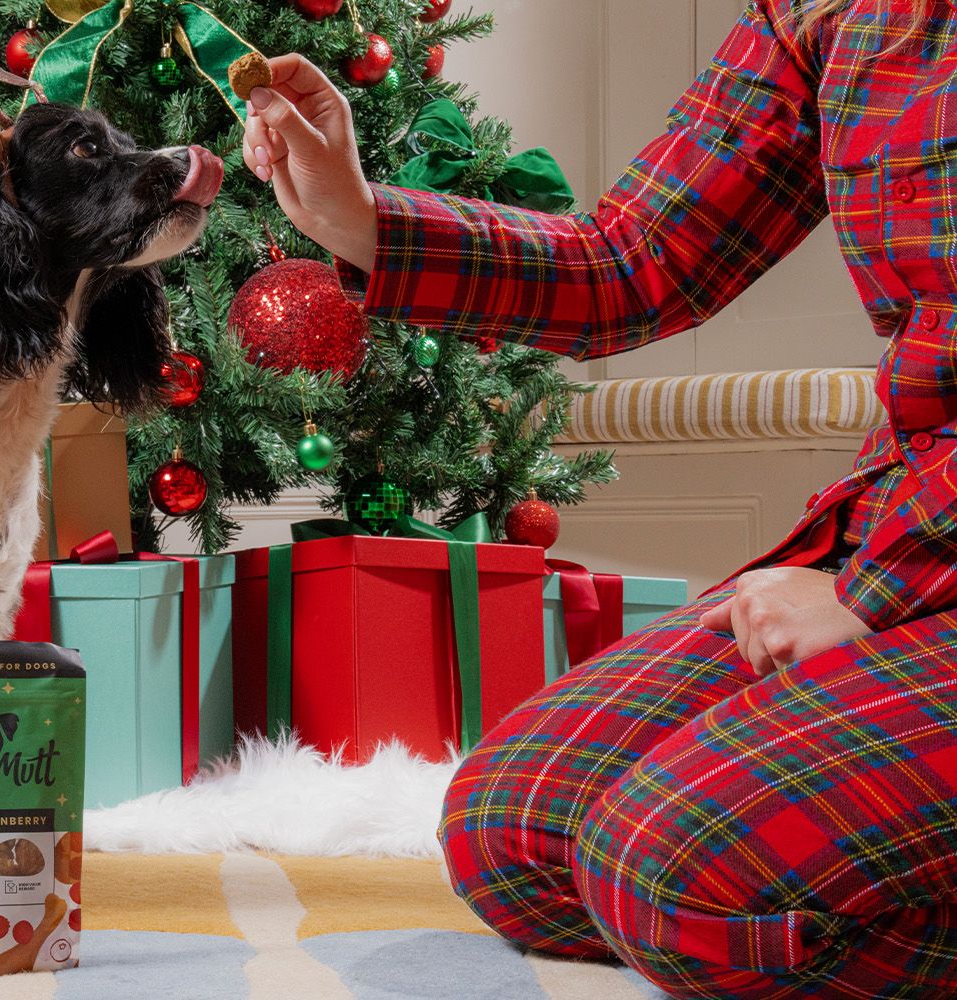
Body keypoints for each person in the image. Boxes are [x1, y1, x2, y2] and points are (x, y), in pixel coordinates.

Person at [243, 2, 957, 997]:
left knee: (675, 879)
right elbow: (632, 260)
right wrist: (357, 217)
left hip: (919, 555)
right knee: (512, 834)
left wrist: (875, 596)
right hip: (906, 524)